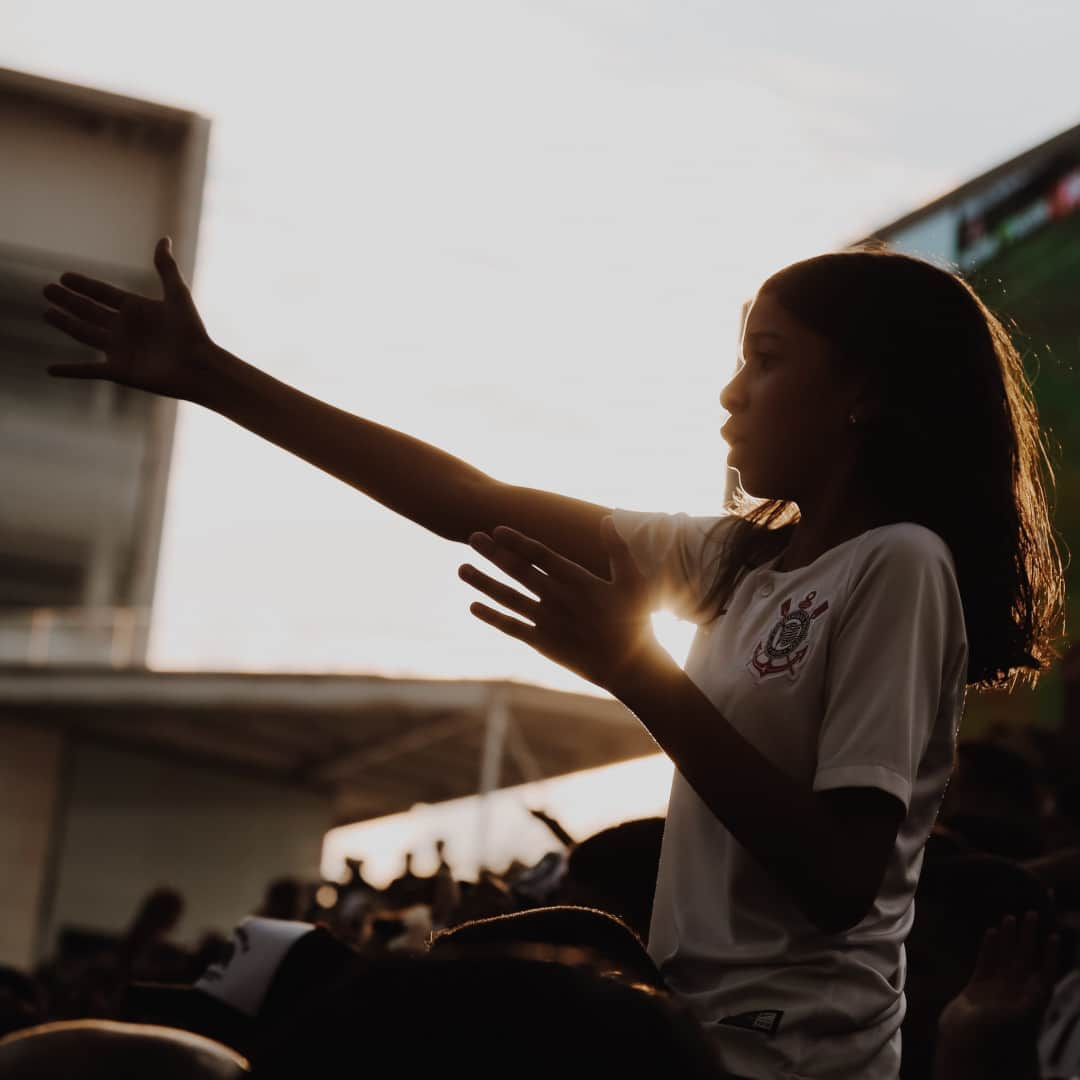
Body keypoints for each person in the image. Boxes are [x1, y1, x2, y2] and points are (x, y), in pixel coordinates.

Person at [39, 239, 1065, 1077]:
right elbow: (467, 502)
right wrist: (215, 380)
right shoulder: (734, 556)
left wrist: (641, 675)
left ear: (866, 394)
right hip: (695, 1035)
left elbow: (844, 873)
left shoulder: (901, 564)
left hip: (797, 1063)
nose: (729, 393)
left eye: (766, 357)